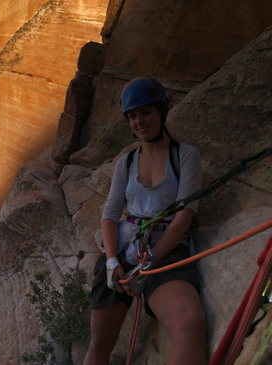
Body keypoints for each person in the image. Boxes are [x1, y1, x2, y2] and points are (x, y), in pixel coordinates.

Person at [83, 77, 207, 365]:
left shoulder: (185, 156)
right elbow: (110, 215)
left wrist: (148, 264)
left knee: (189, 322)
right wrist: (112, 261)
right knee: (100, 344)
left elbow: (184, 215)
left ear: (161, 111)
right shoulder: (126, 162)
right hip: (125, 249)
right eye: (133, 116)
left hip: (163, 252)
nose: (139, 121)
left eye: (146, 113)